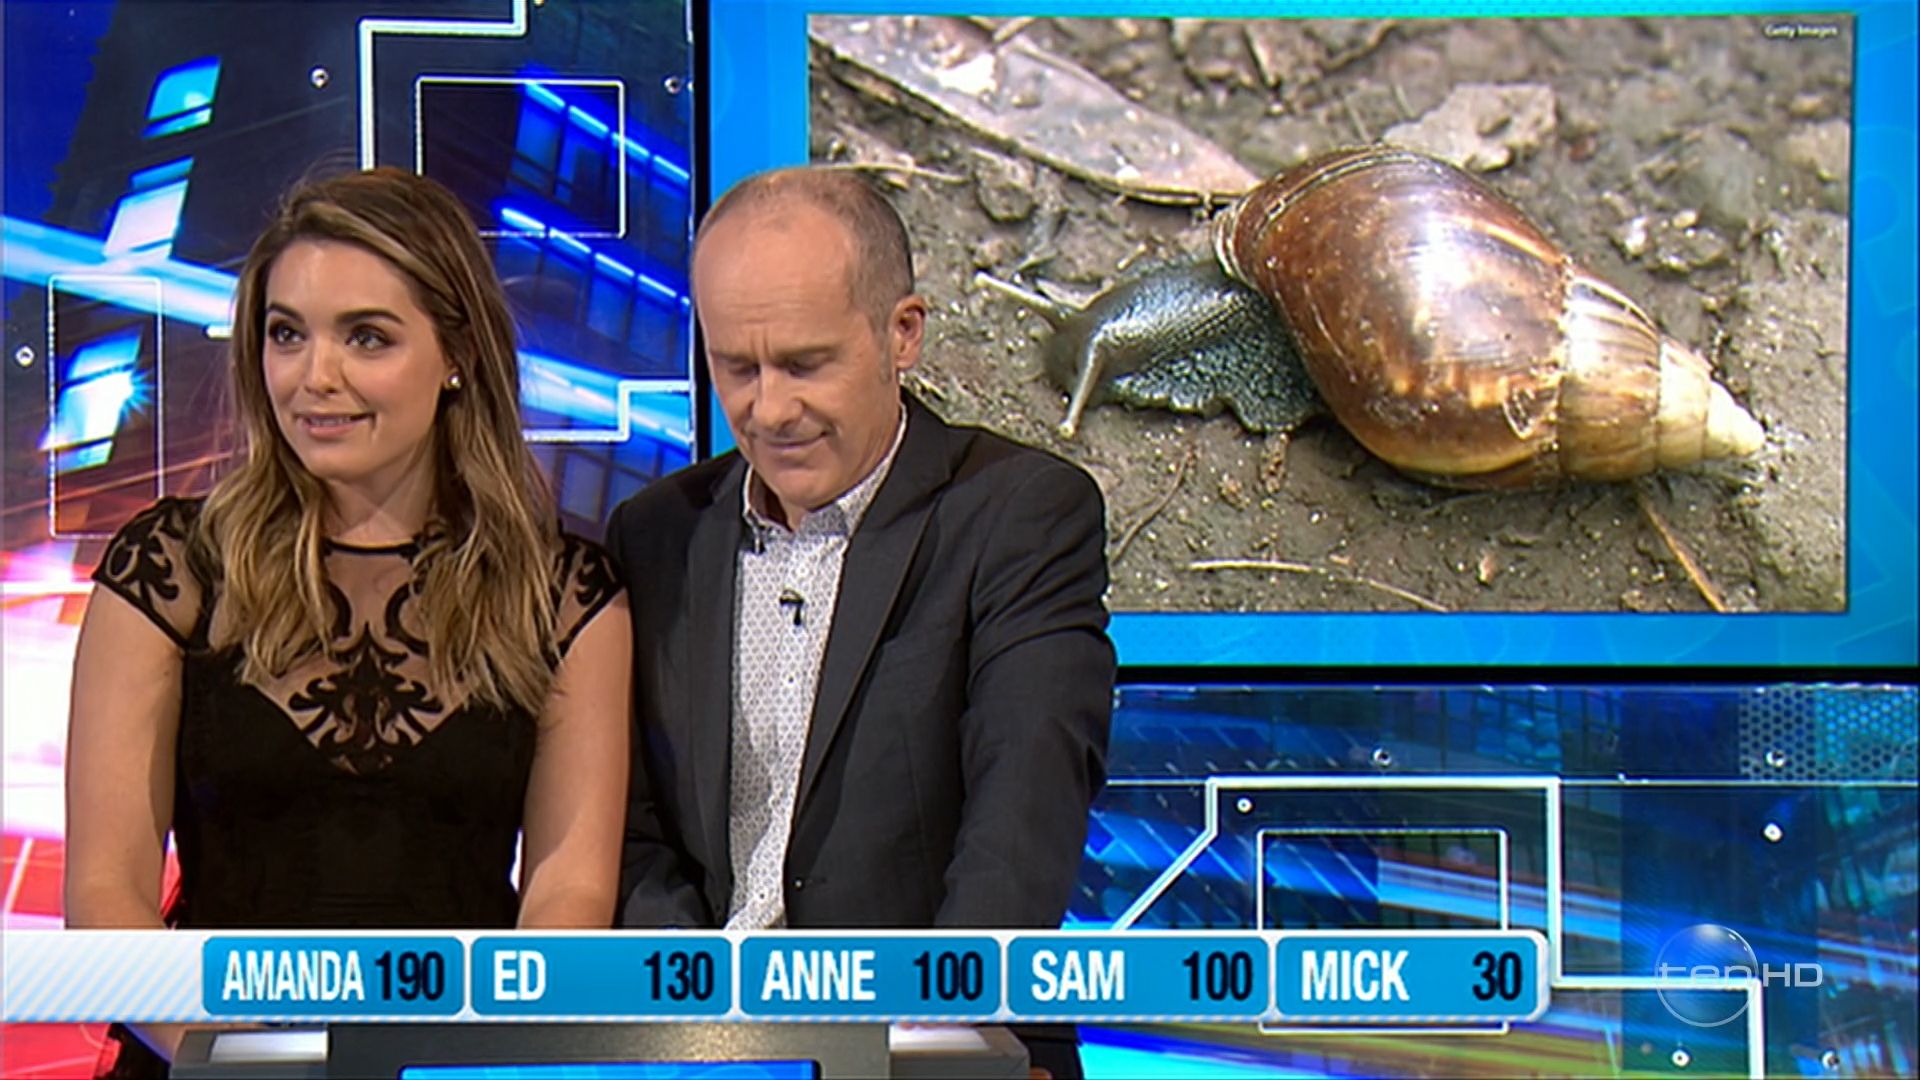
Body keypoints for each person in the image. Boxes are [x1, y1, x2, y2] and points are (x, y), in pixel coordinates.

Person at [63, 168, 630, 1077]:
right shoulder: (170, 571)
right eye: (286, 334)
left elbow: (567, 899)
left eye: (366, 337)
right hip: (208, 1067)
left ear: (457, 355)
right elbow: (104, 898)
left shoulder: (563, 594)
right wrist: (249, 1062)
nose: (314, 378)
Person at [606, 167, 1113, 1076]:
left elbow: (1024, 804)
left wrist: (945, 1038)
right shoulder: (657, 536)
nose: (769, 410)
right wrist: (707, 1030)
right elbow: (632, 835)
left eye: (805, 364)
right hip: (717, 1052)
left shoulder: (1018, 514)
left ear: (901, 333)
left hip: (941, 1049)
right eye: (737, 367)